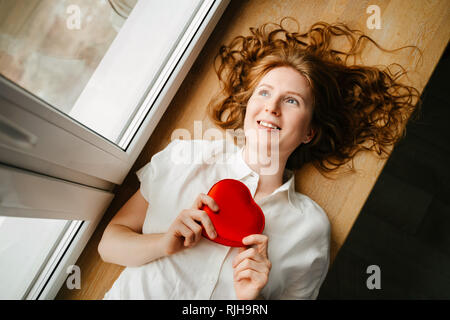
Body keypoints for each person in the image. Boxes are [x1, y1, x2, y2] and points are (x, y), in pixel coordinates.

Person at [98, 18, 420, 300]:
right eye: (264, 93)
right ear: (249, 106)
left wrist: (252, 300)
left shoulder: (309, 228)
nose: (272, 107)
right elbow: (109, 244)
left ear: (309, 132)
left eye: (291, 100)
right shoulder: (187, 155)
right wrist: (163, 243)